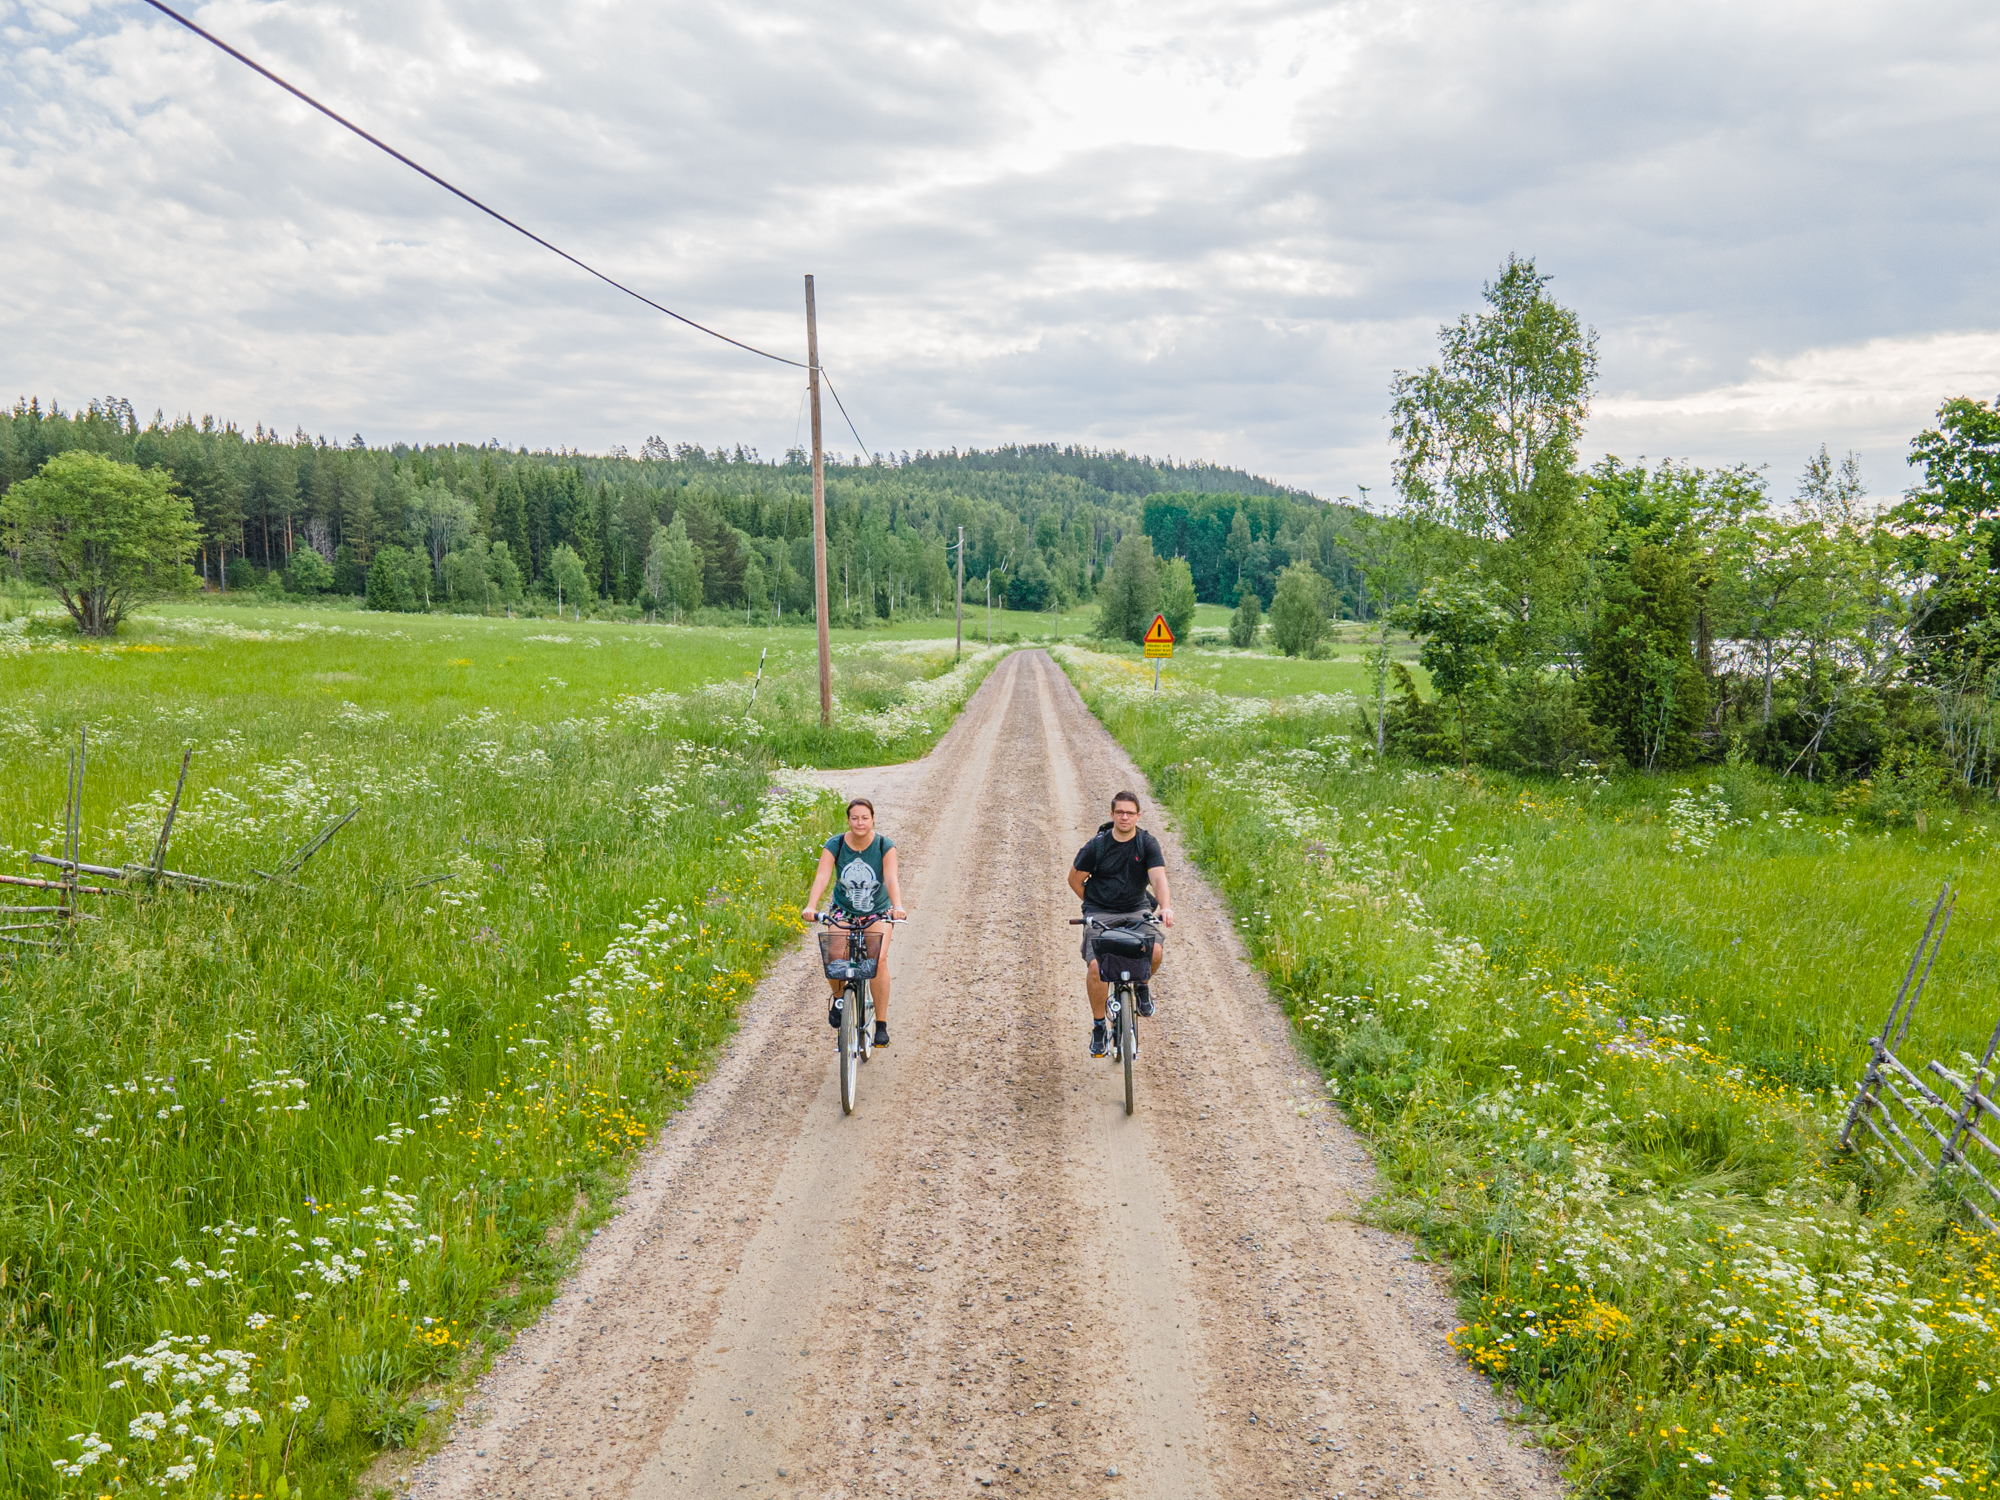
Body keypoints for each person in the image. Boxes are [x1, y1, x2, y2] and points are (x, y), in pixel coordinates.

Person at [1068, 789, 1174, 1058]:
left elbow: (1158, 878)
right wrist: (1094, 905)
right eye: (1119, 812)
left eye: (1130, 812)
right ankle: (1099, 1026)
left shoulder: (1146, 844)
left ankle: (1141, 985)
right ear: (1112, 814)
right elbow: (1074, 879)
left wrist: (1166, 907)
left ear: (1138, 816)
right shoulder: (1098, 846)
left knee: (1156, 950)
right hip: (1101, 913)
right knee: (1097, 966)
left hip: (1138, 910)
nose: (1124, 817)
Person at [803, 797, 906, 1048]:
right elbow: (822, 876)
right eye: (854, 818)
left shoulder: (884, 845)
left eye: (865, 818)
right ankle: (840, 999)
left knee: (877, 959)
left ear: (873, 819)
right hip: (843, 910)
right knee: (834, 956)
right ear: (848, 820)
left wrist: (898, 906)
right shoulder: (835, 845)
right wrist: (811, 906)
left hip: (877, 910)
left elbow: (891, 878)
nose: (860, 822)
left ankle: (880, 1024)